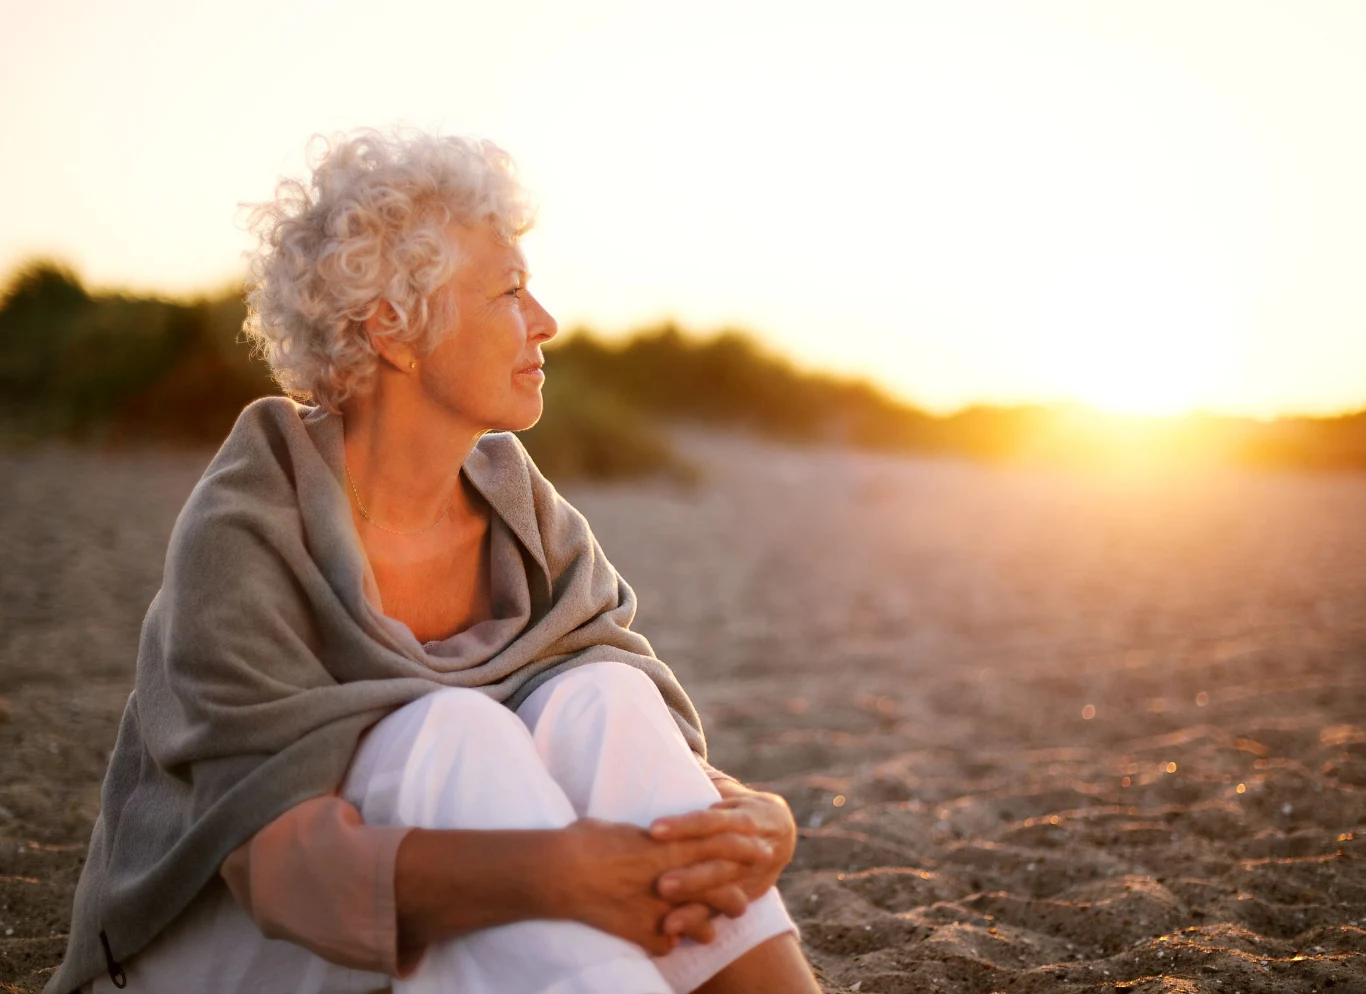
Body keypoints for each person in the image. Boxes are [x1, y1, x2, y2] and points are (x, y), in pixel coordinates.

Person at [46, 130, 822, 994]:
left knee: (604, 693)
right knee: (454, 730)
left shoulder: (521, 511)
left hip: (442, 909)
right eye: (509, 291)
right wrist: (555, 874)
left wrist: (746, 821)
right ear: (394, 327)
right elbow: (273, 867)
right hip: (225, 937)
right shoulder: (250, 525)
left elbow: (628, 751)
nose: (546, 322)